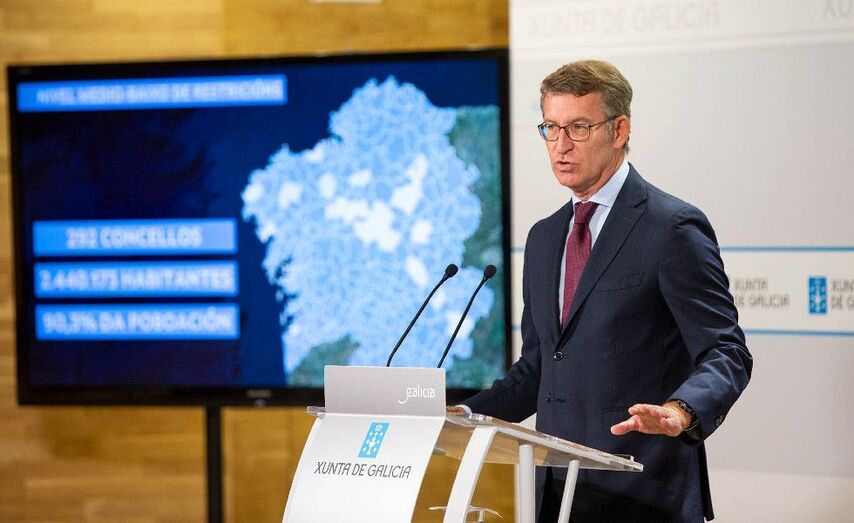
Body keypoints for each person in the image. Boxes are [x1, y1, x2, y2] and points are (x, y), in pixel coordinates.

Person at [456, 60, 752, 521]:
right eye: (550, 128)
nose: (561, 145)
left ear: (619, 130)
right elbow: (538, 370)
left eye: (578, 127)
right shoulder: (544, 237)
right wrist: (461, 416)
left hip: (644, 492)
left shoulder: (671, 227)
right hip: (558, 495)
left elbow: (727, 351)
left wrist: (680, 410)